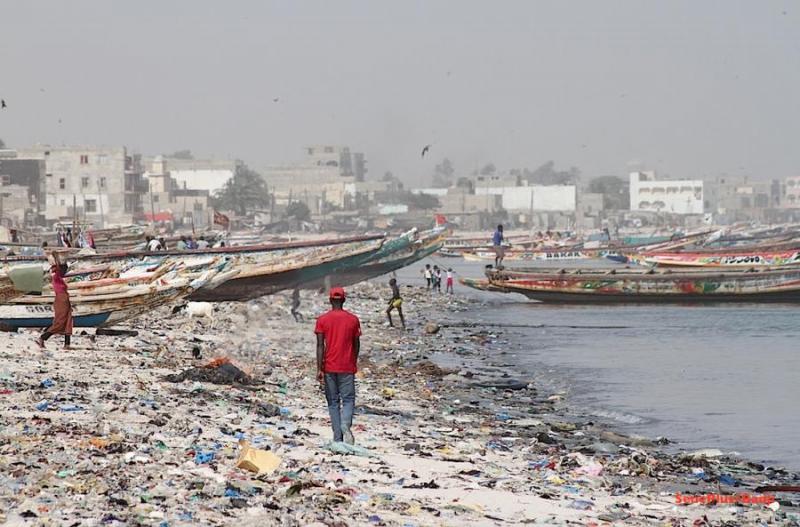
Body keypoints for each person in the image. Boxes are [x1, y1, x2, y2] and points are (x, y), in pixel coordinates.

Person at [315, 287, 361, 444]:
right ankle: (345, 425)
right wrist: (353, 361)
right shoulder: (353, 320)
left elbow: (320, 345)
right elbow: (356, 344)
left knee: (333, 402)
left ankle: (337, 438)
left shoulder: (323, 319)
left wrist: (319, 368)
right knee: (348, 399)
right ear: (343, 300)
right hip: (347, 366)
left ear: (330, 300)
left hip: (329, 366)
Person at [36, 253, 73, 350]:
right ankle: (42, 338)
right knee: (60, 322)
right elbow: (60, 266)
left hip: (64, 298)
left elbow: (61, 267)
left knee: (68, 321)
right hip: (61, 299)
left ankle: (67, 344)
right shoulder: (56, 275)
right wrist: (55, 256)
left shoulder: (57, 276)